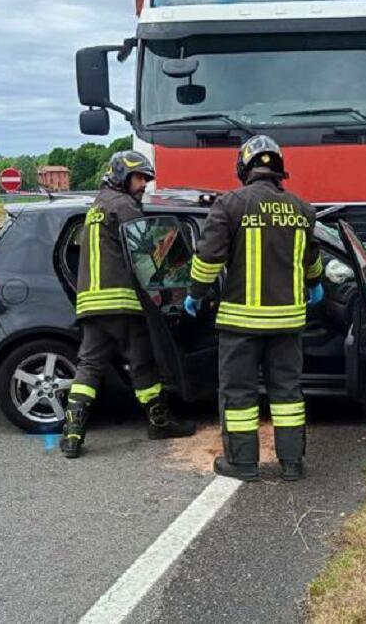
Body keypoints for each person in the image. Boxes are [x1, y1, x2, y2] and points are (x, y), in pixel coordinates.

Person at [183, 135, 324, 481]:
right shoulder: (302, 209)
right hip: (288, 324)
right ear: (279, 169)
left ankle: (243, 464)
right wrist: (315, 285)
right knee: (288, 394)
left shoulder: (230, 204)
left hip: (240, 324)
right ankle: (292, 463)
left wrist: (195, 293)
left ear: (244, 168)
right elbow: (312, 261)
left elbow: (207, 259)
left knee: (239, 395)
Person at [60, 150, 196, 458]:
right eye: (139, 178)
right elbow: (151, 251)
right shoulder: (123, 206)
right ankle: (160, 422)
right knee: (142, 363)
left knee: (89, 366)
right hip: (120, 302)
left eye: (146, 179)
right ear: (121, 175)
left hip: (91, 305)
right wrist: (182, 275)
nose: (144, 185)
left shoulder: (97, 207)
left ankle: (71, 435)